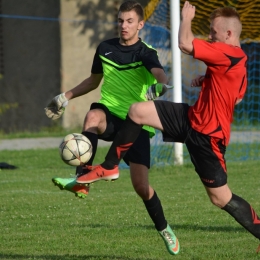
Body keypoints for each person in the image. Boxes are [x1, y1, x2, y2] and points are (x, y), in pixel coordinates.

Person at [76, 1, 260, 253]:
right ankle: (109, 167)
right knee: (138, 110)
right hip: (192, 118)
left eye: (213, 32)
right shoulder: (238, 59)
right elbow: (238, 96)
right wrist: (209, 78)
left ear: (229, 35)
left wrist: (185, 18)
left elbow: (185, 43)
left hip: (208, 138)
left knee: (220, 198)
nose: (209, 36)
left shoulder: (227, 52)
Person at [45, 0, 179, 256]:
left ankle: (164, 228)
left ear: (140, 24)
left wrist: (159, 87)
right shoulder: (105, 48)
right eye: (120, 20)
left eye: (129, 21)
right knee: (92, 116)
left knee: (141, 187)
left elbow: (162, 77)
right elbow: (93, 81)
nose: (124, 25)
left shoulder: (145, 52)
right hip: (109, 113)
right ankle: (83, 179)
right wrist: (65, 97)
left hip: (135, 123)